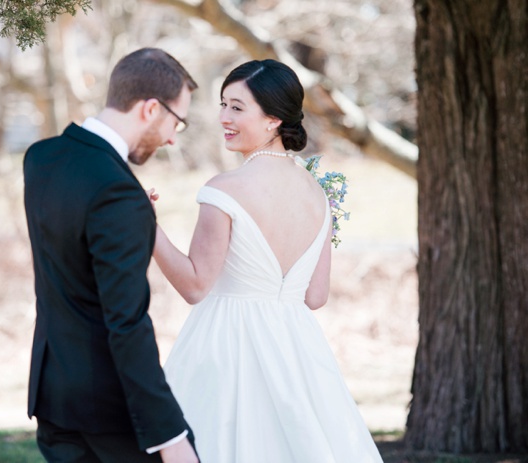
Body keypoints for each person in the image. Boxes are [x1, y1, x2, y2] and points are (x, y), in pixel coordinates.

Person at [152, 59, 382, 462]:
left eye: (237, 108)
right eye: (223, 104)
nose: (223, 117)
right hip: (298, 350)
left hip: (226, 346)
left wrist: (146, 224)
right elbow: (315, 295)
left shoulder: (225, 188)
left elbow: (194, 286)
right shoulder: (318, 194)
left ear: (274, 119)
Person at [21, 48, 199, 463]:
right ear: (151, 108)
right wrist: (170, 436)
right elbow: (127, 323)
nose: (173, 137)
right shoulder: (119, 192)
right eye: (177, 122)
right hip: (111, 414)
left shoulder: (41, 159)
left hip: (53, 399)